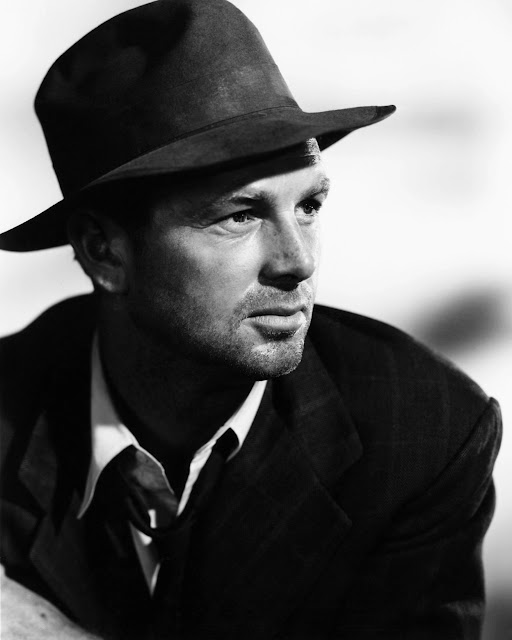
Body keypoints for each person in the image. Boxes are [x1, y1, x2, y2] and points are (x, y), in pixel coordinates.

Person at [0, 1, 501, 639]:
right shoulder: (10, 408)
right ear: (105, 252)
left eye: (309, 205)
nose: (299, 262)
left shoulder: (422, 434)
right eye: (240, 215)